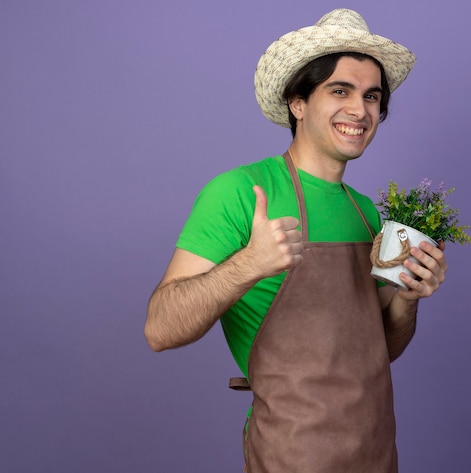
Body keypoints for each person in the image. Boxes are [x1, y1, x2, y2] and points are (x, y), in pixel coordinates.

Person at [145, 8, 448, 473]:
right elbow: (160, 329)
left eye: (371, 96)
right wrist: (249, 264)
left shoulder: (366, 212)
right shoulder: (241, 193)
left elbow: (380, 349)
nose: (359, 110)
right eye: (339, 91)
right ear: (298, 103)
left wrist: (408, 299)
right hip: (290, 456)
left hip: (376, 454)